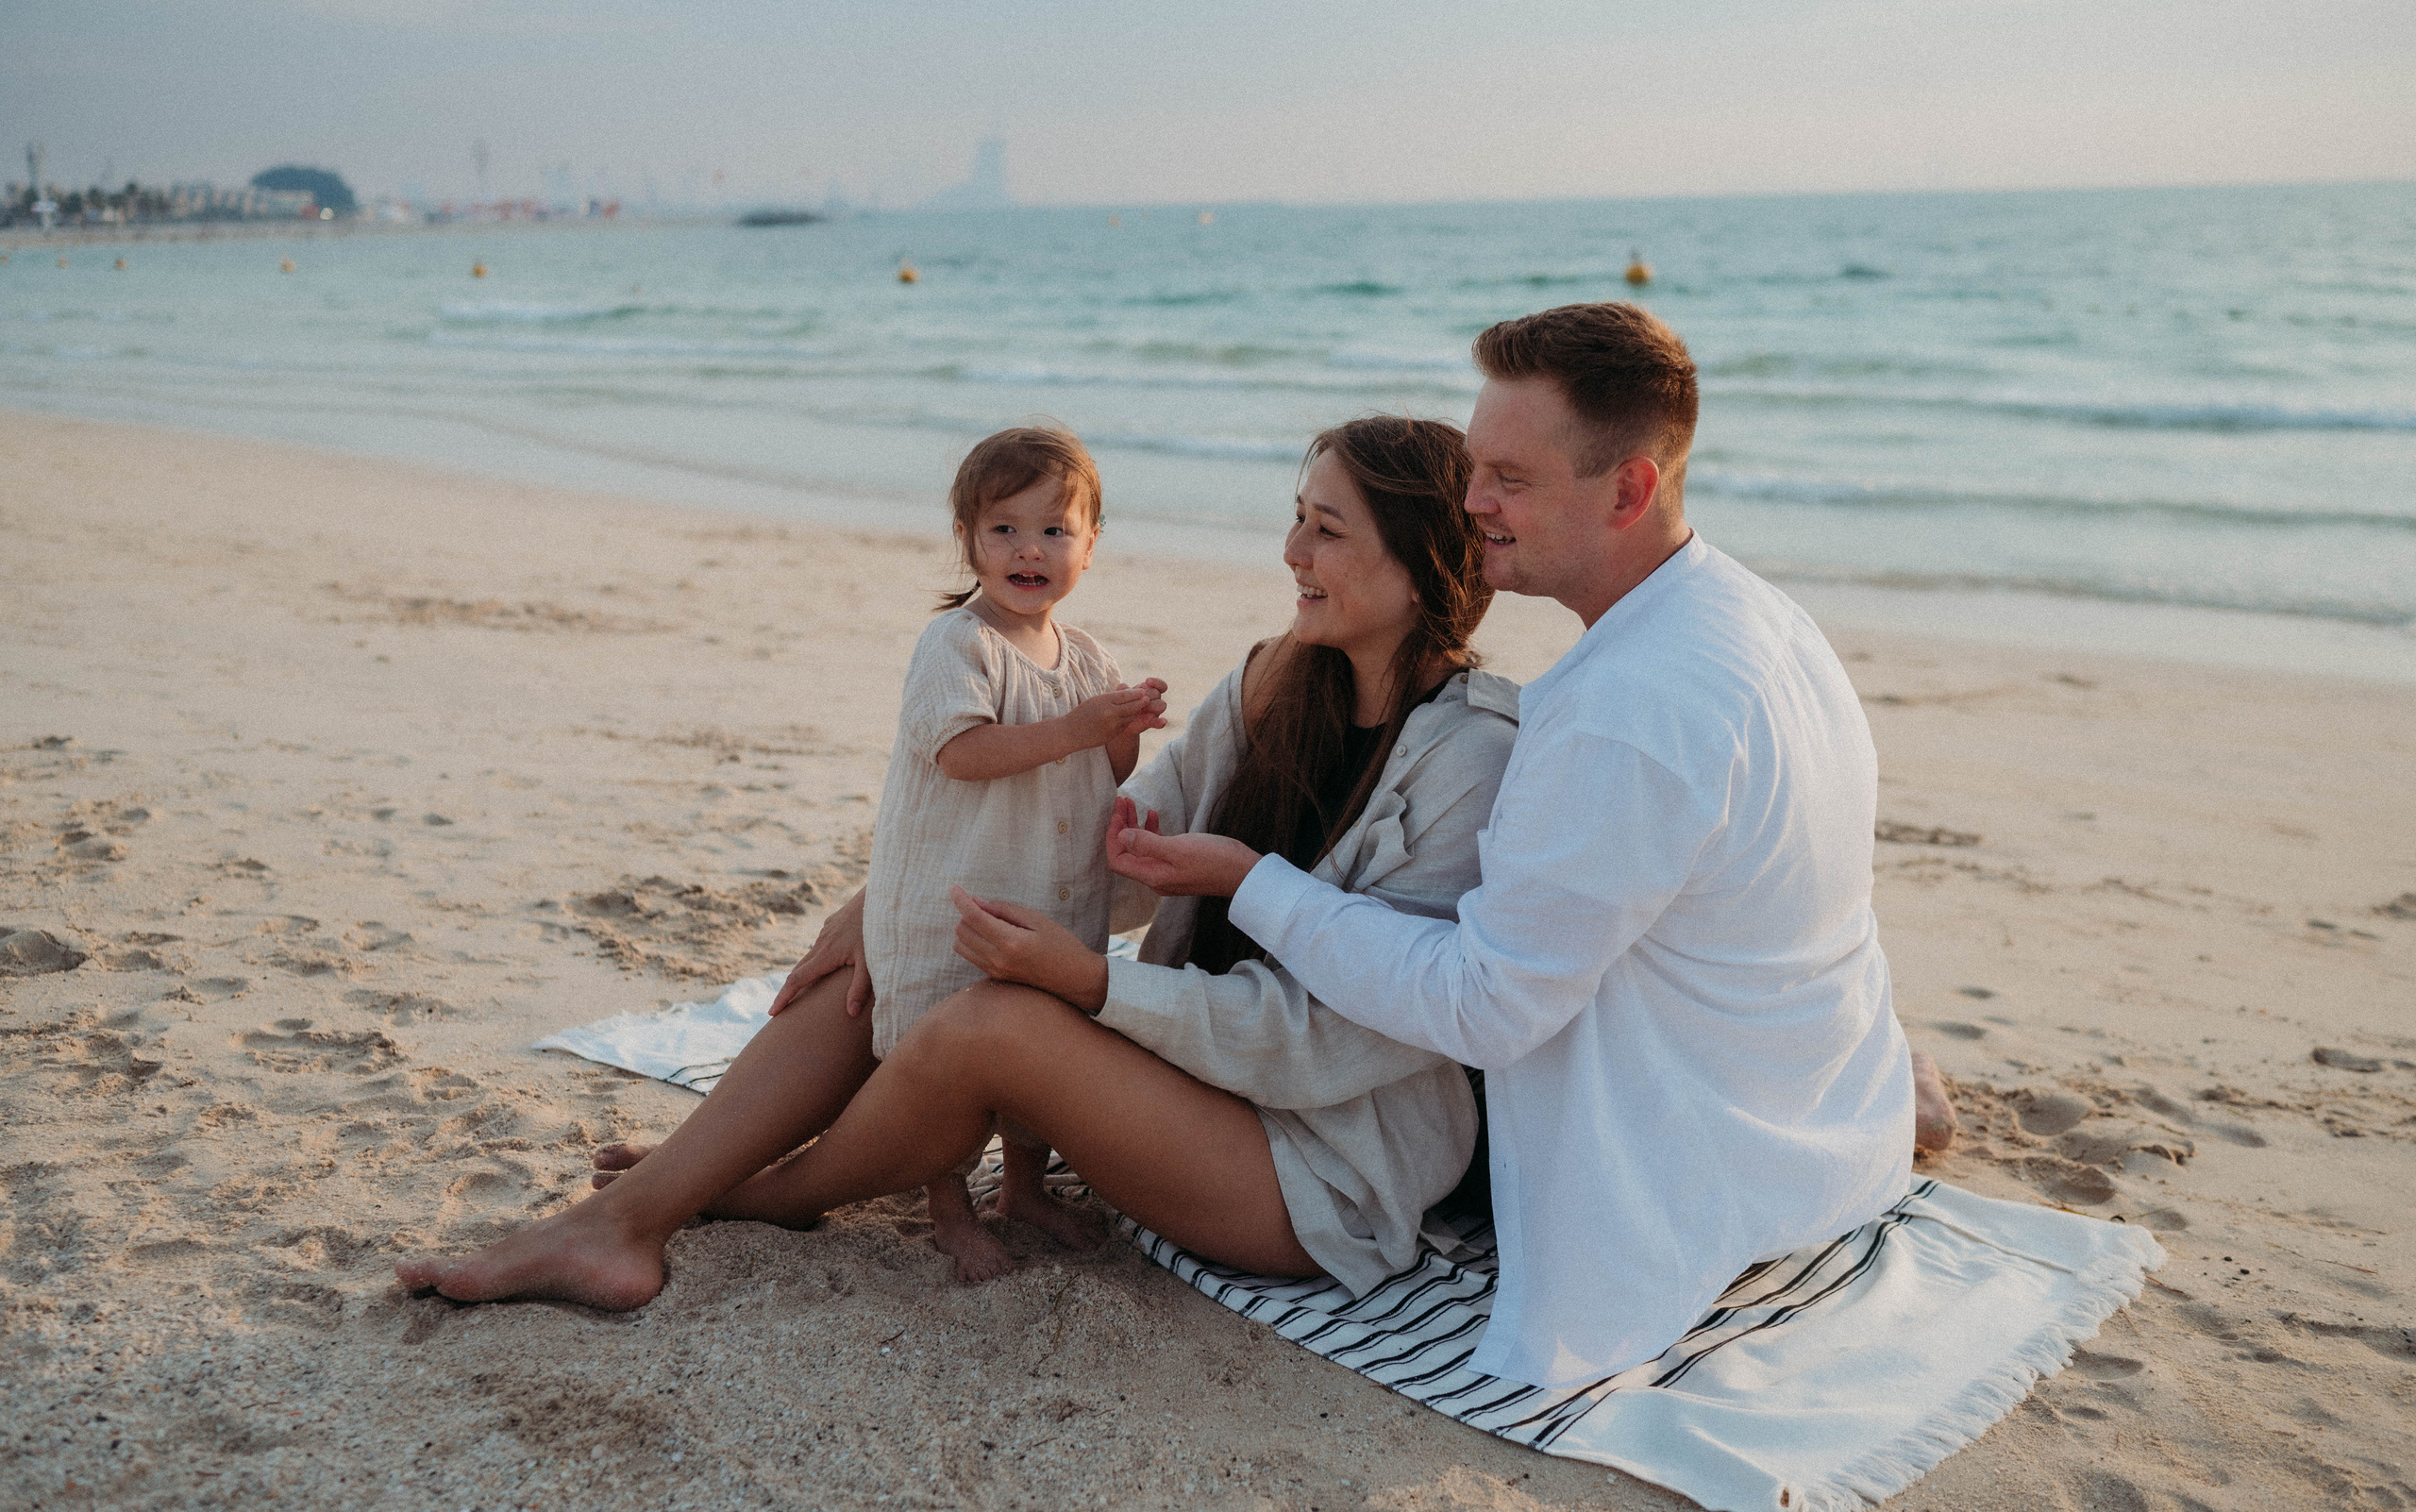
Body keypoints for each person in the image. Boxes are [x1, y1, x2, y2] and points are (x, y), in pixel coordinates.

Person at [394, 415, 1518, 1310]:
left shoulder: (1470, 759)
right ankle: (635, 1215)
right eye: (1295, 518)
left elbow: (1349, 1034)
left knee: (994, 1022)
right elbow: (1114, 852)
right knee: (886, 945)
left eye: (1324, 529)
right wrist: (890, 901)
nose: (1289, 552)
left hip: (1309, 1164)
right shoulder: (1280, 675)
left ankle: (750, 1197)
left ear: (1417, 566)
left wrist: (1092, 986)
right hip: (1194, 1076)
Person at [1109, 302, 1923, 1387]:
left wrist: (1253, 882)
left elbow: (1482, 1010)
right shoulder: (1750, 612)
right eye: (1474, 466)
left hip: (1711, 1175)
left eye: (1509, 479)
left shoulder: (1618, 712)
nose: (1471, 500)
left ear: (1628, 489)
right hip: (1822, 1113)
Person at [855, 425, 1168, 1280]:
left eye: (1056, 531)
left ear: (1091, 547)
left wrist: (1120, 730)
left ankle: (1022, 1187)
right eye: (1005, 528)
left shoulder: (1089, 657)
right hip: (959, 895)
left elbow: (1102, 770)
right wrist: (1073, 727)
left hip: (1049, 893)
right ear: (970, 541)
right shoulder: (958, 643)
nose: (1031, 549)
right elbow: (962, 752)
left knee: (1044, 1043)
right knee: (944, 1064)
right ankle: (949, 1206)